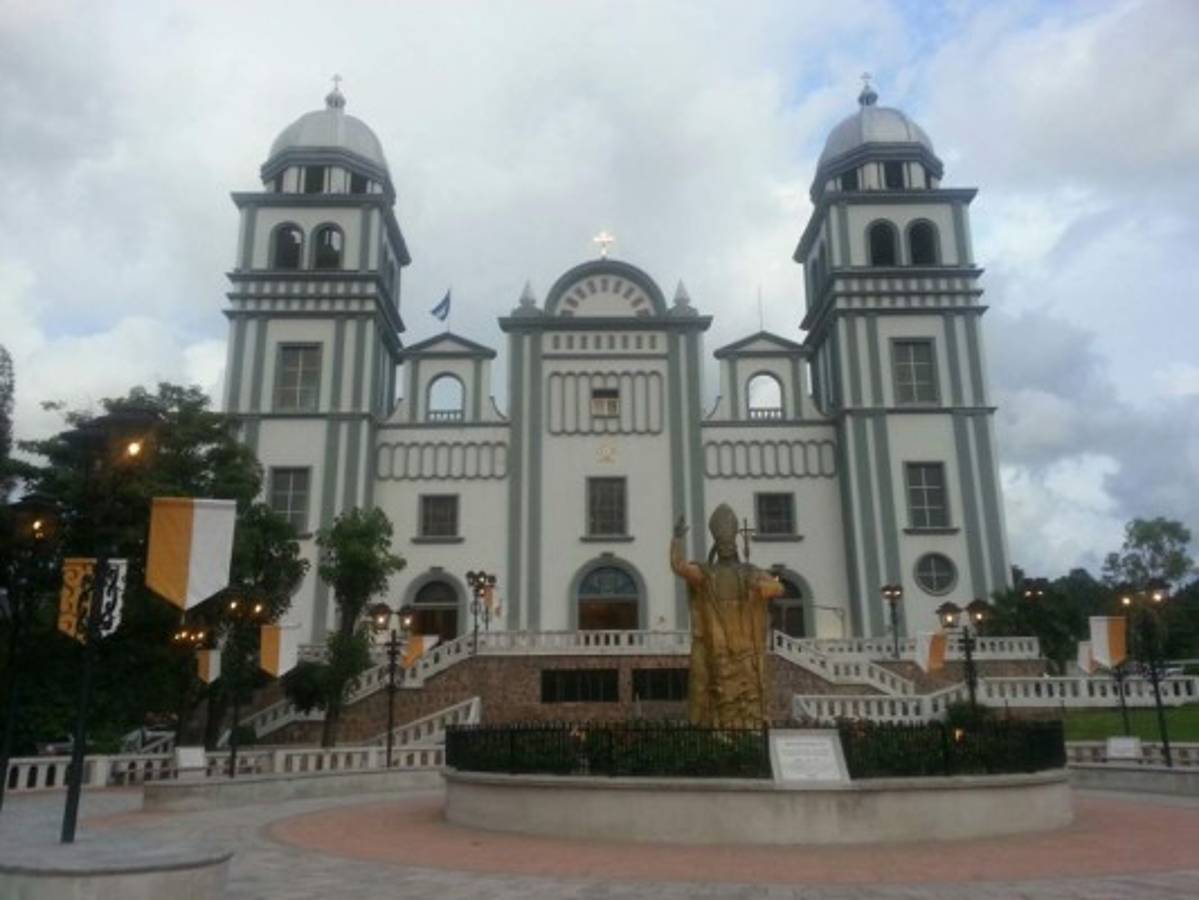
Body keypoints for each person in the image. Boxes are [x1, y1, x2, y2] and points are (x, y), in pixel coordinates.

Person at [670, 504, 783, 727]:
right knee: (719, 684)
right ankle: (718, 728)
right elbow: (680, 567)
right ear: (716, 546)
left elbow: (777, 587)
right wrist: (677, 540)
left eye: (729, 544)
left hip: (746, 641)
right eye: (722, 544)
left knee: (750, 687)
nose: (726, 548)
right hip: (717, 637)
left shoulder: (750, 571)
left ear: (735, 546)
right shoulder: (706, 574)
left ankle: (751, 727)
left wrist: (762, 587)